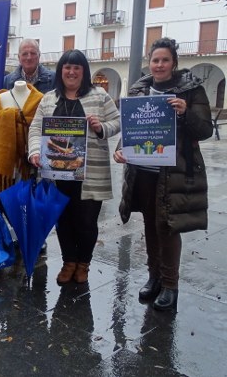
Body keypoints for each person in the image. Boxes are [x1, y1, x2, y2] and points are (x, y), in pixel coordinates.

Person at [114, 37, 212, 311]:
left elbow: (204, 130)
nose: (159, 65)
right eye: (155, 60)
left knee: (168, 227)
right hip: (143, 171)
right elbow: (130, 128)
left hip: (174, 171)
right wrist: (121, 150)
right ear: (150, 63)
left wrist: (185, 112)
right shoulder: (139, 91)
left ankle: (170, 285)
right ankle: (154, 277)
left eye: (164, 60)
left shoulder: (191, 91)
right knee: (150, 225)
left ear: (174, 63)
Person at [28, 49, 120, 284]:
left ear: (83, 72)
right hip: (57, 174)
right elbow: (36, 128)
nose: (71, 72)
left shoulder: (99, 96)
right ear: (61, 71)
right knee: (64, 221)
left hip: (90, 174)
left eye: (76, 68)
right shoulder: (49, 98)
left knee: (87, 223)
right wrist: (35, 152)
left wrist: (100, 127)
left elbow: (118, 121)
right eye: (67, 67)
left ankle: (84, 264)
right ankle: (69, 262)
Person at [0, 80, 43, 197]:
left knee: (28, 199)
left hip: (31, 159)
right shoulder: (2, 97)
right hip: (7, 160)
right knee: (8, 202)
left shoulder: (39, 99)